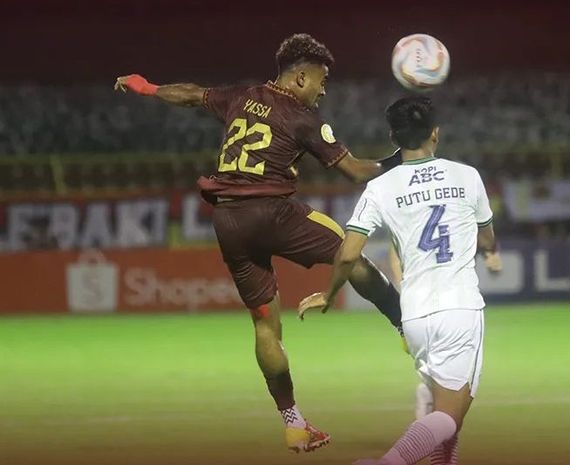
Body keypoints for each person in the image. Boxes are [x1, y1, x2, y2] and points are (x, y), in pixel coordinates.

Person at [114, 33, 403, 453]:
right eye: (321, 81)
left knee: (265, 323)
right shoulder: (302, 118)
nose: (322, 91)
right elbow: (357, 172)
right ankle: (402, 322)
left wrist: (147, 87)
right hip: (273, 212)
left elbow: (192, 94)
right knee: (348, 250)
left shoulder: (240, 96)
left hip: (228, 220)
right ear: (300, 77)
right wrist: (401, 156)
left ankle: (294, 424)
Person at [298, 96, 502, 465]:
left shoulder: (380, 187)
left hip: (415, 315)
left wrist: (329, 295)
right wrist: (488, 248)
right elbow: (487, 238)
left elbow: (347, 253)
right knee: (448, 417)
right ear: (435, 134)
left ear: (394, 135)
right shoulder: (467, 176)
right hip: (459, 309)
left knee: (443, 415)